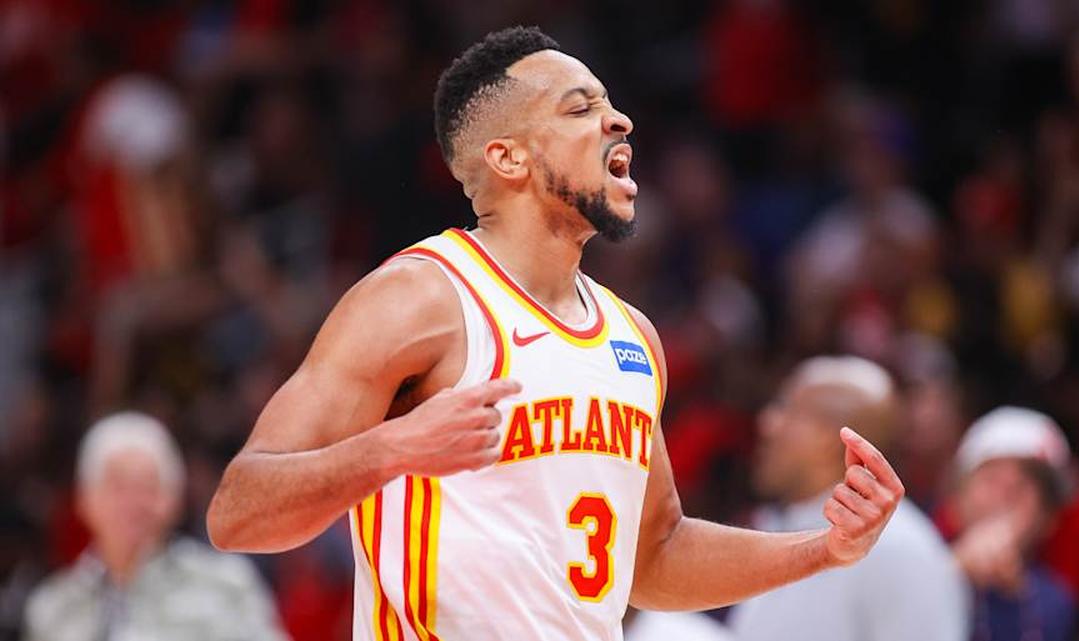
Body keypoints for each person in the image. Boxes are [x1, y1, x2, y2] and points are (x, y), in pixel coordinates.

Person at [206, 27, 906, 641]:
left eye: (609, 104)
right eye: (582, 108)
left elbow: (655, 557)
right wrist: (391, 449)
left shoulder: (633, 336)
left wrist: (824, 549)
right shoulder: (419, 297)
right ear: (508, 158)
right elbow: (238, 512)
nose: (619, 121)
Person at [728, 356, 968, 641]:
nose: (767, 424)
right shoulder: (777, 523)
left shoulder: (900, 547)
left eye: (789, 410)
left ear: (831, 438)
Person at [22, 412, 287, 641]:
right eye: (117, 485)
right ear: (84, 500)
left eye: (148, 486)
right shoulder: (53, 607)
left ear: (175, 499)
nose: (133, 502)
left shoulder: (225, 584)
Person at [947, 407, 1079, 641]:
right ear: (958, 500)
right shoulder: (912, 563)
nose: (1006, 494)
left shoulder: (1058, 602)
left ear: (1049, 517)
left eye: (1026, 484)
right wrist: (950, 574)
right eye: (992, 478)